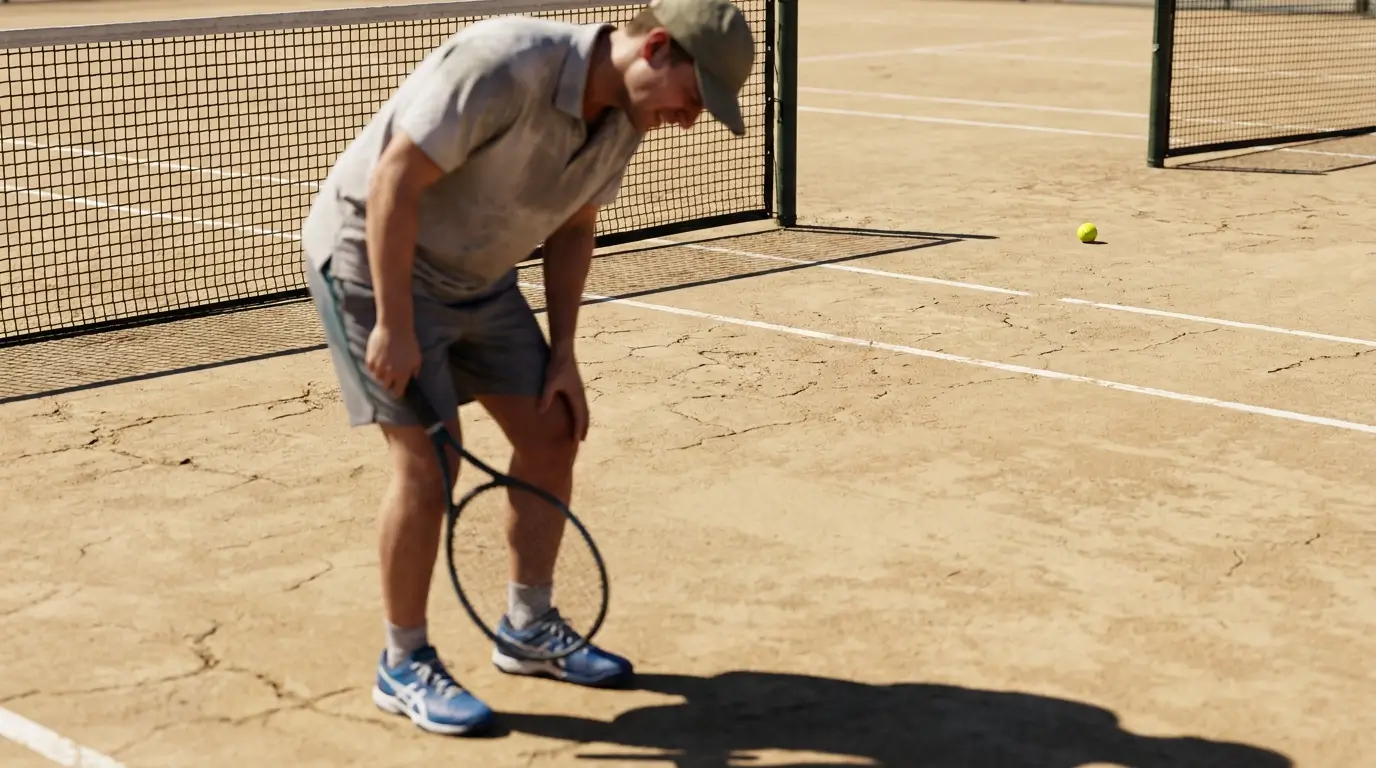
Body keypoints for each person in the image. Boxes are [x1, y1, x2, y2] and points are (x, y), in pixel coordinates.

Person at [299, 0, 756, 738]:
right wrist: (394, 323)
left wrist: (565, 354)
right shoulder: (504, 62)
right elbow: (392, 182)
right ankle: (403, 662)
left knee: (553, 431)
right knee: (428, 463)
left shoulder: (624, 119)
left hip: (478, 279)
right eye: (695, 97)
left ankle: (528, 628)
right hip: (373, 264)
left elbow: (574, 226)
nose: (691, 119)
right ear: (658, 50)